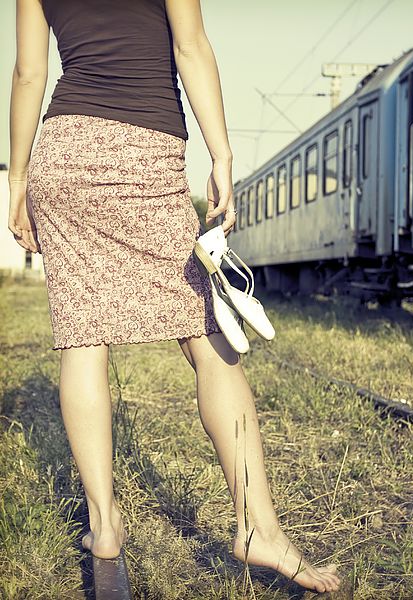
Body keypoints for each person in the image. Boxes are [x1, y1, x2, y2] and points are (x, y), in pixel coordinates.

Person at [7, 0, 341, 594]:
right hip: (143, 150)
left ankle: (104, 528)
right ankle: (257, 528)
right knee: (208, 336)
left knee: (83, 337)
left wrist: (19, 181)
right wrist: (222, 155)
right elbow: (191, 47)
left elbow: (29, 73)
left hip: (63, 151)